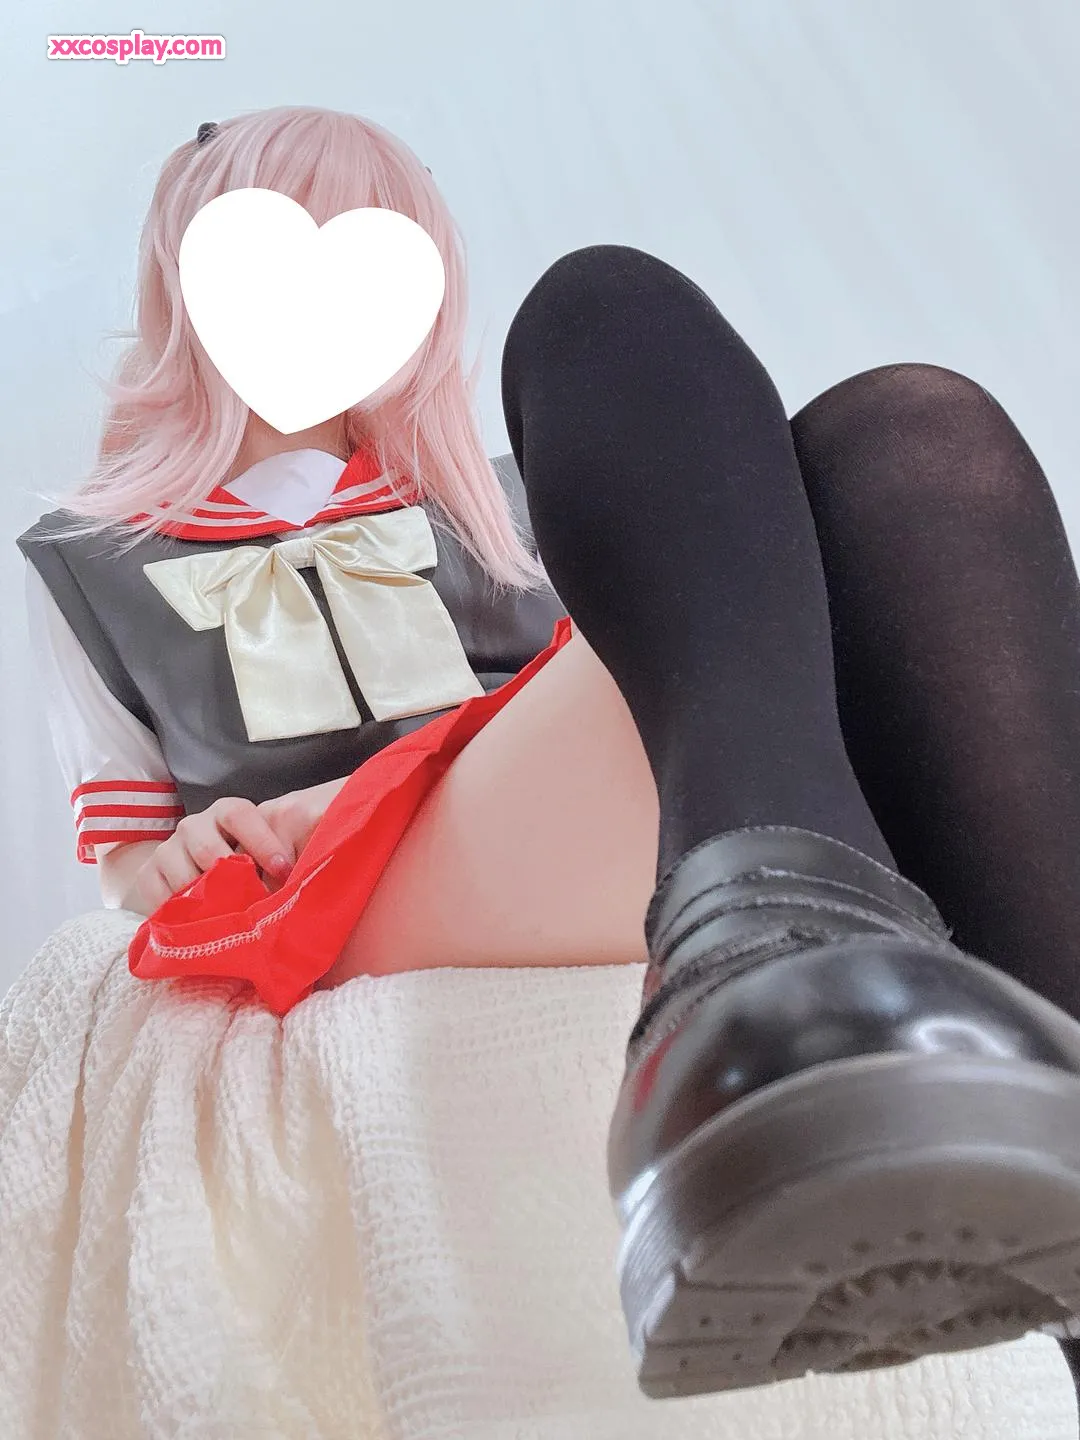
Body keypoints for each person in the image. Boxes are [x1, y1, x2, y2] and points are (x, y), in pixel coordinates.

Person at [17, 104, 1080, 1408]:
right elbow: (123, 860)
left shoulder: (501, 503)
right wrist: (183, 851)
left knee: (907, 434)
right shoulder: (90, 559)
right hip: (324, 870)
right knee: (600, 306)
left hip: (541, 788)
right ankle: (777, 943)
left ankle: (789, 964)